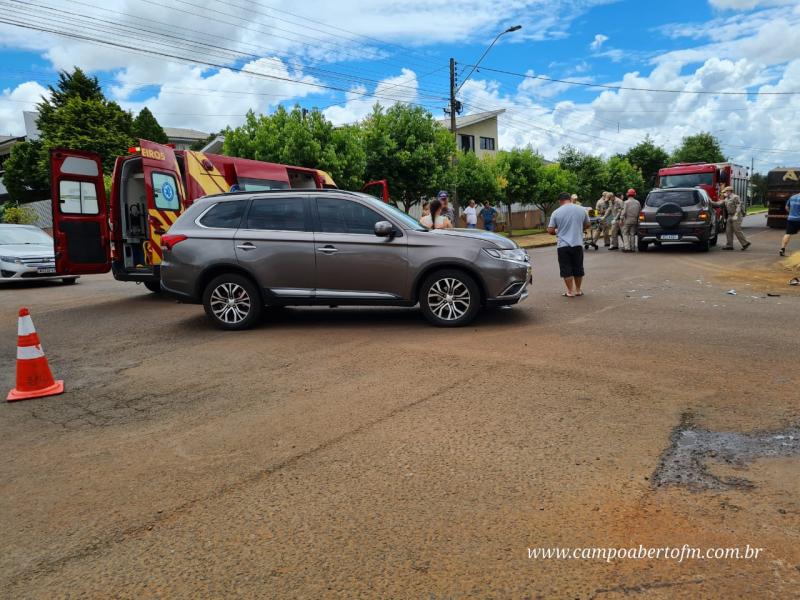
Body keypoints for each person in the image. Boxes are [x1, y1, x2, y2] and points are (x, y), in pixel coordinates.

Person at [547, 191, 590, 297]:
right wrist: (580, 228)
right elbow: (588, 224)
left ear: (560, 201)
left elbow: (550, 230)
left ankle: (570, 291)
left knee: (566, 269)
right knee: (578, 267)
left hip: (563, 245)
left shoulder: (556, 212)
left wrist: (557, 231)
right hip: (577, 243)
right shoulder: (582, 209)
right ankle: (578, 290)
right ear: (570, 199)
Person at [711, 186, 750, 250]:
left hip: (736, 215)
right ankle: (729, 245)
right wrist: (709, 201)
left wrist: (736, 215)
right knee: (728, 231)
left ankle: (745, 243)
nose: (724, 193)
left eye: (725, 192)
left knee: (737, 230)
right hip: (729, 216)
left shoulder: (735, 197)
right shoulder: (726, 199)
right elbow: (717, 204)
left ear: (729, 191)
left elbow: (739, 206)